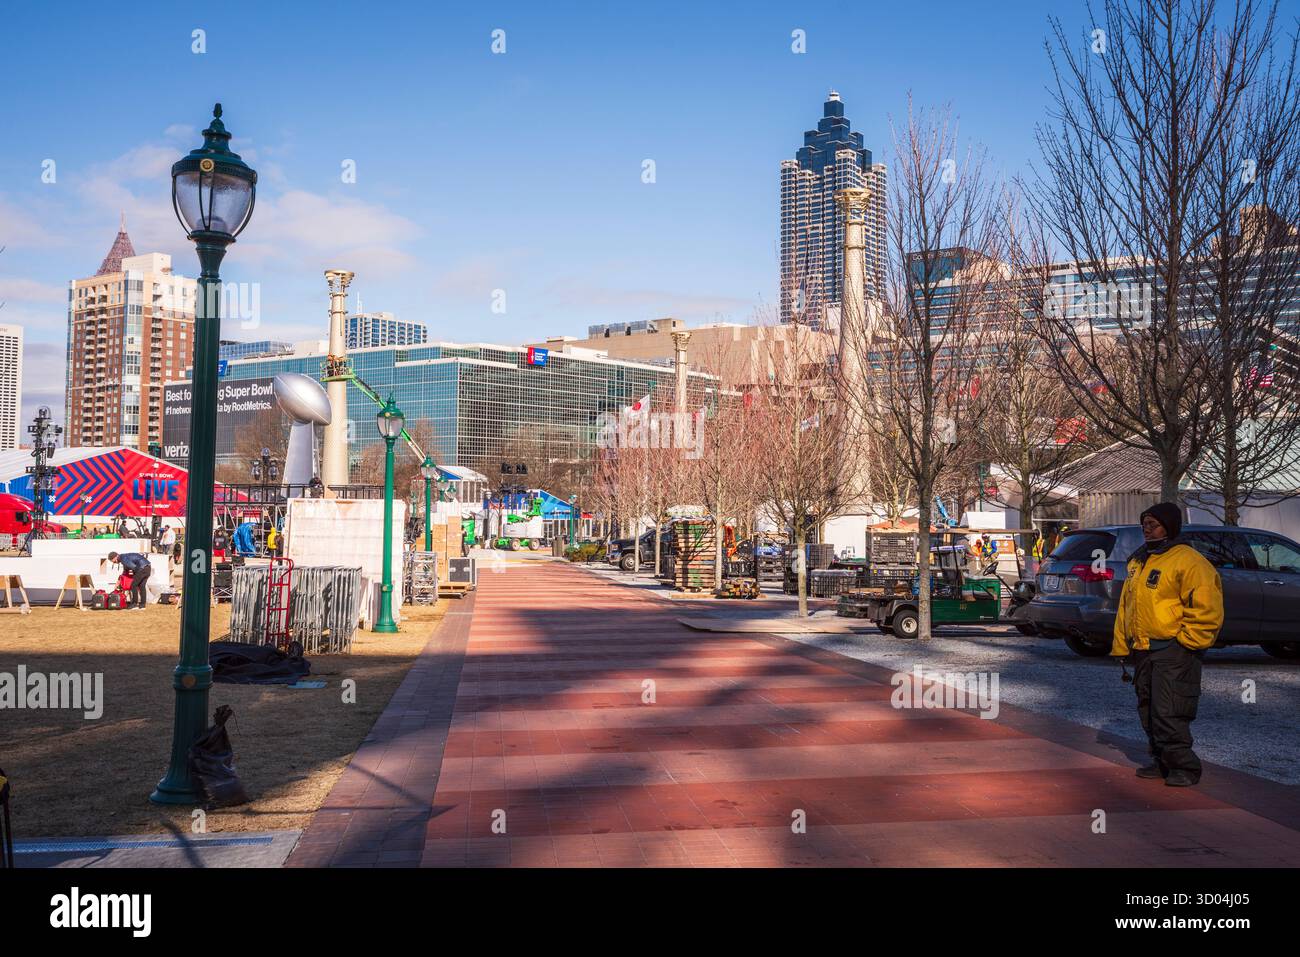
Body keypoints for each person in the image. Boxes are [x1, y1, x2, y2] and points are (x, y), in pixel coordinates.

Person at [1111, 502, 1223, 787]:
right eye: (1145, 525)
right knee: (1147, 706)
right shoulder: (1139, 561)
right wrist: (1123, 645)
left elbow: (1206, 607)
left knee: (1170, 708)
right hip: (1145, 648)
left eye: (1154, 524)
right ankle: (1161, 761)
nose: (1148, 530)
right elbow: (1127, 607)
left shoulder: (1189, 561)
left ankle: (1184, 766)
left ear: (1170, 527)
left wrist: (1187, 642)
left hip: (1174, 649)